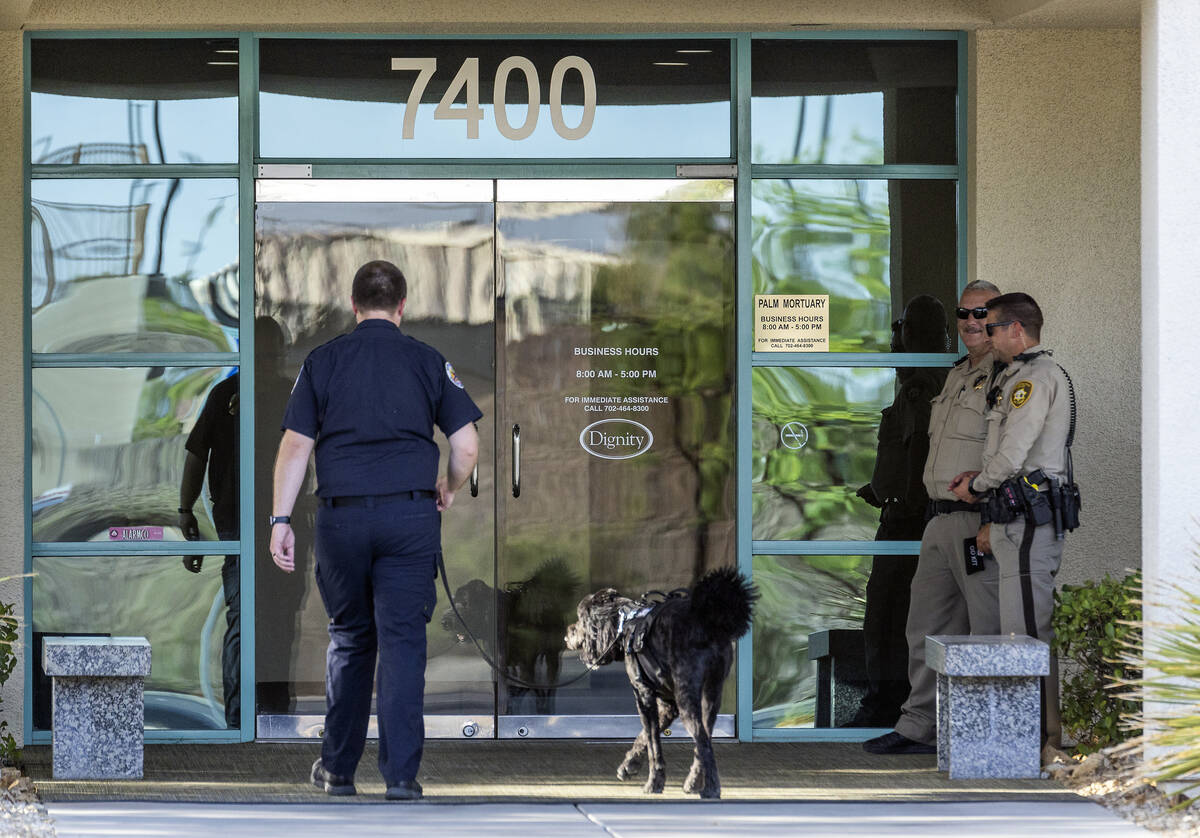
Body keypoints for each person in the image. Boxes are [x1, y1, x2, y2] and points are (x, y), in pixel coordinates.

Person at [269, 260, 481, 801]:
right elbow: (467, 446)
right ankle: (402, 778)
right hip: (409, 520)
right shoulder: (429, 361)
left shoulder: (323, 361)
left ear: (354, 304)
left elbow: (296, 445)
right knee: (404, 643)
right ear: (402, 306)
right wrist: (450, 488)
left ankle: (338, 771)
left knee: (350, 637)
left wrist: (280, 520)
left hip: (342, 519)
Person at [864, 280, 1003, 755]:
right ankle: (919, 724)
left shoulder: (1009, 377)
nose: (970, 323)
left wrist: (993, 516)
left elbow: (1013, 453)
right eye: (964, 314)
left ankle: (980, 733)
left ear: (1000, 318)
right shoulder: (957, 375)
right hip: (935, 520)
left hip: (976, 518)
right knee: (921, 623)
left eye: (980, 314)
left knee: (984, 627)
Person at [947, 291, 1074, 748]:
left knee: (1028, 633)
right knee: (1017, 630)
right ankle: (1033, 738)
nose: (985, 332)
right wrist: (981, 478)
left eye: (993, 325)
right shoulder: (1021, 375)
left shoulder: (1033, 378)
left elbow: (1014, 453)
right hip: (1015, 517)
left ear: (1016, 330)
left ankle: (1041, 741)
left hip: (1027, 519)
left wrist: (978, 485)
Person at [844, 295, 949, 727]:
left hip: (908, 522)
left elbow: (920, 450)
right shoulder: (918, 381)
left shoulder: (921, 385)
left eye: (901, 327)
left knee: (888, 614)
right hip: (902, 514)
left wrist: (904, 501)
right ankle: (890, 702)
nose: (892, 336)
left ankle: (887, 704)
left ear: (916, 334)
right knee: (890, 612)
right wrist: (880, 486)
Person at [179, 370, 240, 729]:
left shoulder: (286, 387)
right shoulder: (226, 393)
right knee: (243, 613)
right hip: (238, 515)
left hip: (277, 515)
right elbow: (197, 453)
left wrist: (186, 511)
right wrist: (186, 511)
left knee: (266, 615)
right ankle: (240, 717)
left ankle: (267, 709)